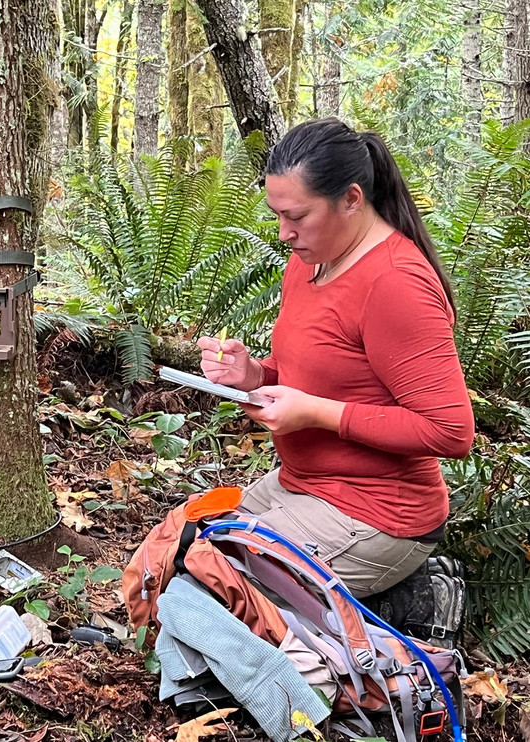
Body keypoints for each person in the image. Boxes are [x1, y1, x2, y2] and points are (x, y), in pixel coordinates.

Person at [197, 118, 475, 602]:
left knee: (211, 589)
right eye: (276, 215)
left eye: (297, 216)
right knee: (179, 551)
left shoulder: (395, 284)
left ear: (351, 199)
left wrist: (315, 414)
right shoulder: (311, 260)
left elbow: (450, 431)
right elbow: (320, 373)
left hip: (377, 513)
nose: (284, 233)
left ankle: (402, 616)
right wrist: (253, 375)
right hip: (303, 485)